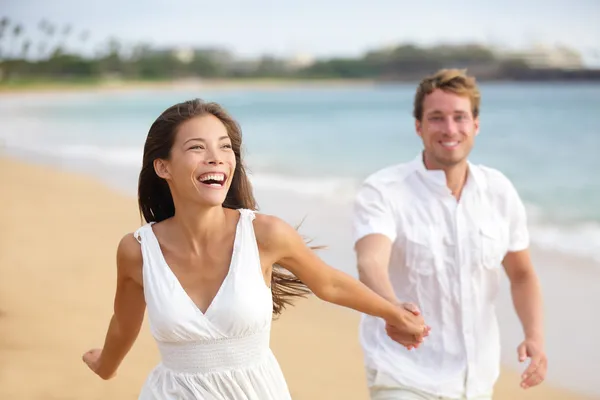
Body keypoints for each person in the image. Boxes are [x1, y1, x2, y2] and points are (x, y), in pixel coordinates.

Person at [81, 99, 429, 400]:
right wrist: (105, 365)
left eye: (225, 147)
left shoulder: (264, 234)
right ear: (163, 167)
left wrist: (394, 312)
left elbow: (330, 283)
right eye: (197, 148)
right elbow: (124, 323)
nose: (216, 159)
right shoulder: (138, 251)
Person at [352, 69, 547, 400]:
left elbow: (523, 274)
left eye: (460, 117)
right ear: (419, 126)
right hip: (403, 372)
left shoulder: (499, 191)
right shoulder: (383, 190)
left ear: (476, 125)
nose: (450, 129)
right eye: (437, 118)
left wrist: (535, 336)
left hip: (476, 381)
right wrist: (392, 308)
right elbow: (370, 261)